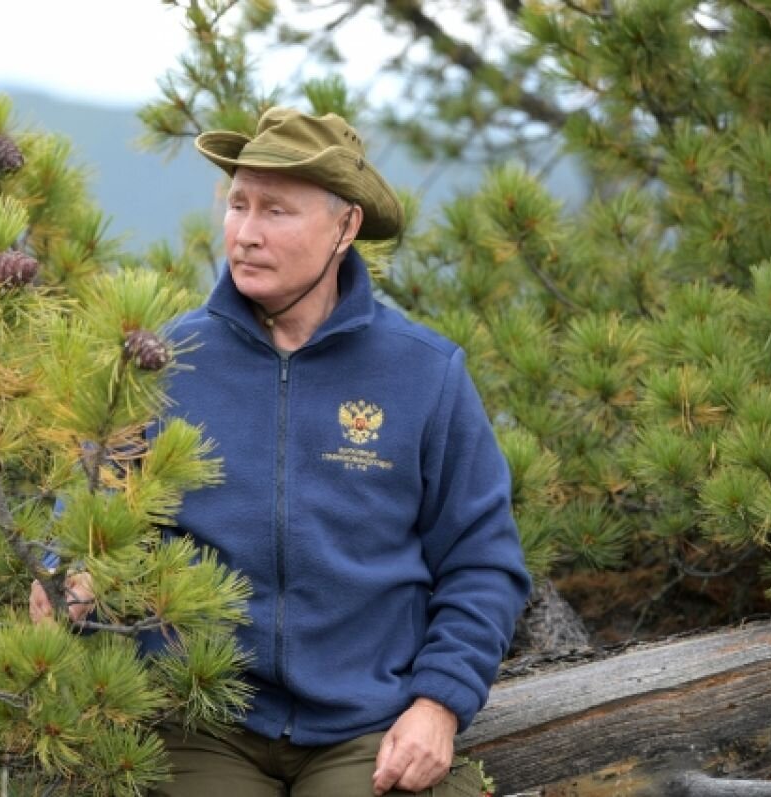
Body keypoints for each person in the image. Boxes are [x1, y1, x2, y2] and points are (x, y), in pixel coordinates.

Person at [31, 107, 531, 796]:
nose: (246, 233)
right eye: (238, 204)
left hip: (367, 724)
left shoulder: (424, 374)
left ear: (345, 226)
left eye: (276, 210)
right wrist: (67, 576)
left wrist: (438, 703)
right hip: (196, 722)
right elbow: (81, 523)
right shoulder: (162, 364)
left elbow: (483, 562)